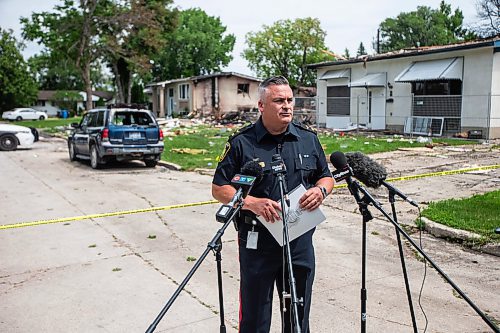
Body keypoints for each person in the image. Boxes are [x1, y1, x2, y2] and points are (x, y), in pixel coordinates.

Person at [212, 75, 334, 333]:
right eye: (279, 100)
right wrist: (252, 202)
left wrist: (321, 191)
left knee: (298, 318)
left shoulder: (307, 139)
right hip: (258, 243)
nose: (287, 106)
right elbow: (219, 189)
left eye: (289, 100)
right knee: (255, 319)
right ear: (262, 106)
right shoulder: (242, 143)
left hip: (299, 241)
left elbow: (325, 175)